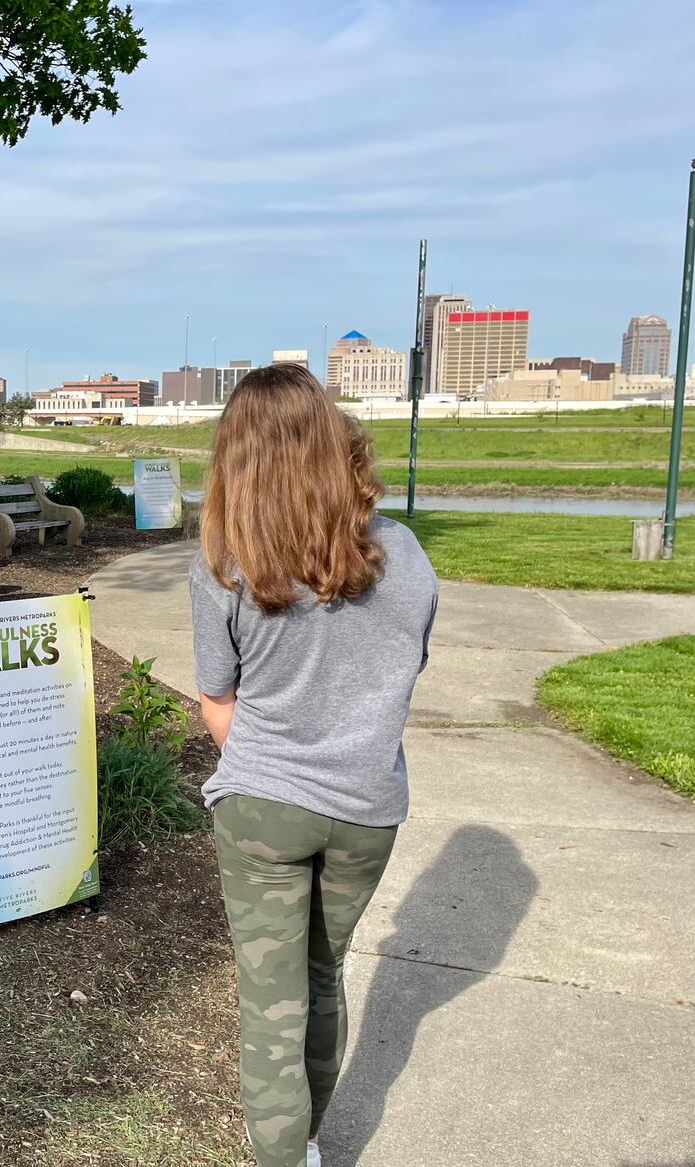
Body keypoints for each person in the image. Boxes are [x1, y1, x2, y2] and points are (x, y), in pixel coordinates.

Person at [190, 362, 438, 1167]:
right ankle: (309, 1144)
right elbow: (402, 671)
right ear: (336, 444)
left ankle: (283, 1158)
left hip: (263, 808)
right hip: (368, 808)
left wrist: (274, 766)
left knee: (272, 1003)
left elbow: (216, 701)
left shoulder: (224, 561)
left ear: (235, 460)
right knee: (324, 977)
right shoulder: (401, 552)